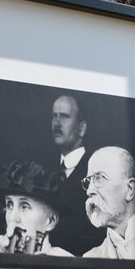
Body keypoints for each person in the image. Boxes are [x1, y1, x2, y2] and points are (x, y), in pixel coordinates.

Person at [0, 161, 73, 256]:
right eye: (10, 205)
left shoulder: (68, 262)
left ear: (51, 221)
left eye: (25, 206)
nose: (12, 217)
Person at [48, 94, 101, 255]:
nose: (57, 122)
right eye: (54, 116)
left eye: (64, 116)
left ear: (82, 128)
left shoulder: (97, 172)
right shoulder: (44, 169)